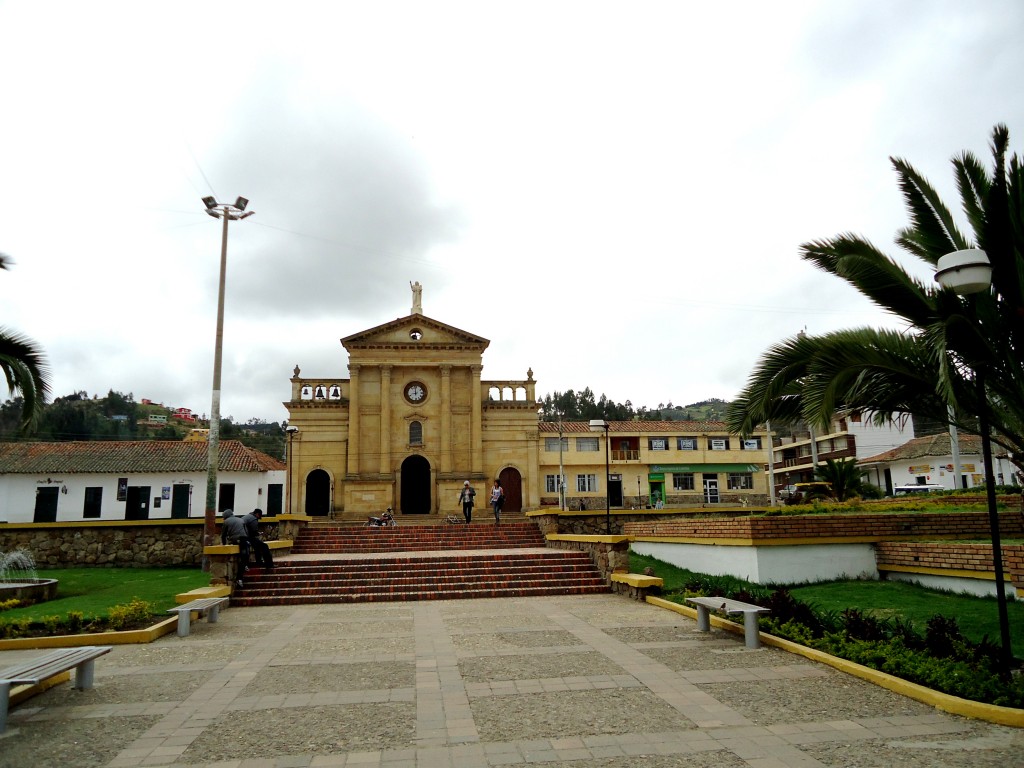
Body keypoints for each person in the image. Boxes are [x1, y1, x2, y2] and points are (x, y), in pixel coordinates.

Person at [220, 509, 249, 586]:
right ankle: (244, 568)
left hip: (235, 539)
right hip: (244, 539)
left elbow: (223, 535)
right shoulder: (241, 519)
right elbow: (246, 532)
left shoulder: (226, 522)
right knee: (243, 557)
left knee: (240, 557)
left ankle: (239, 578)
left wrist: (224, 544)